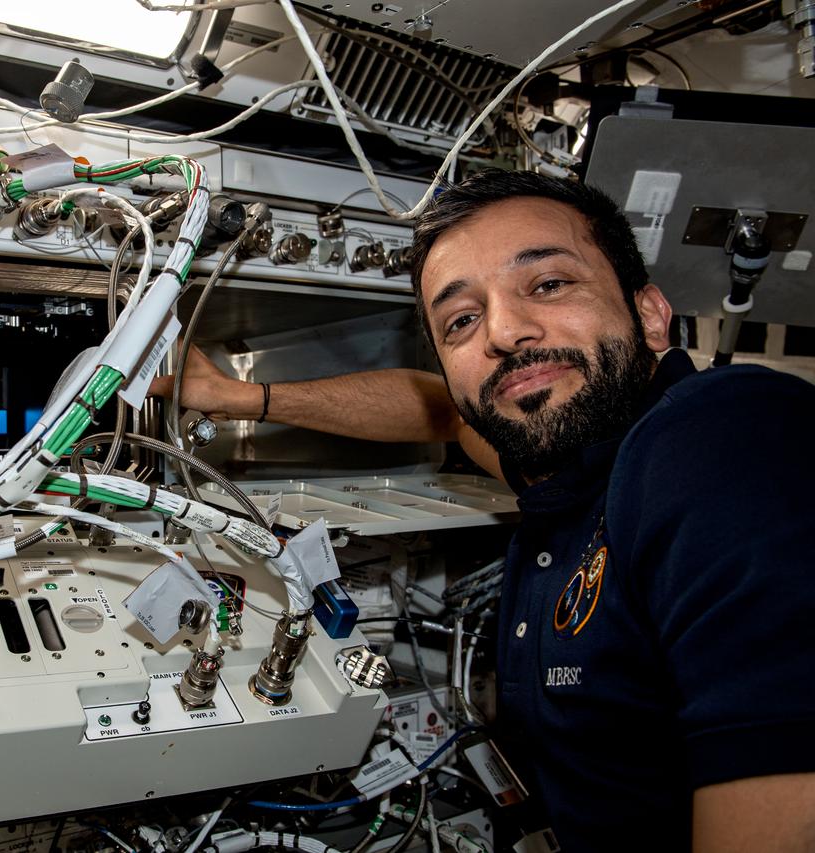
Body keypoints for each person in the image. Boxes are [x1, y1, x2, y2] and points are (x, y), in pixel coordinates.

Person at [151, 170, 815, 852]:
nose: (503, 330)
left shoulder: (722, 435)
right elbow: (439, 408)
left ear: (649, 313)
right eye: (462, 320)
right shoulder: (568, 472)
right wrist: (242, 397)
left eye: (548, 284)